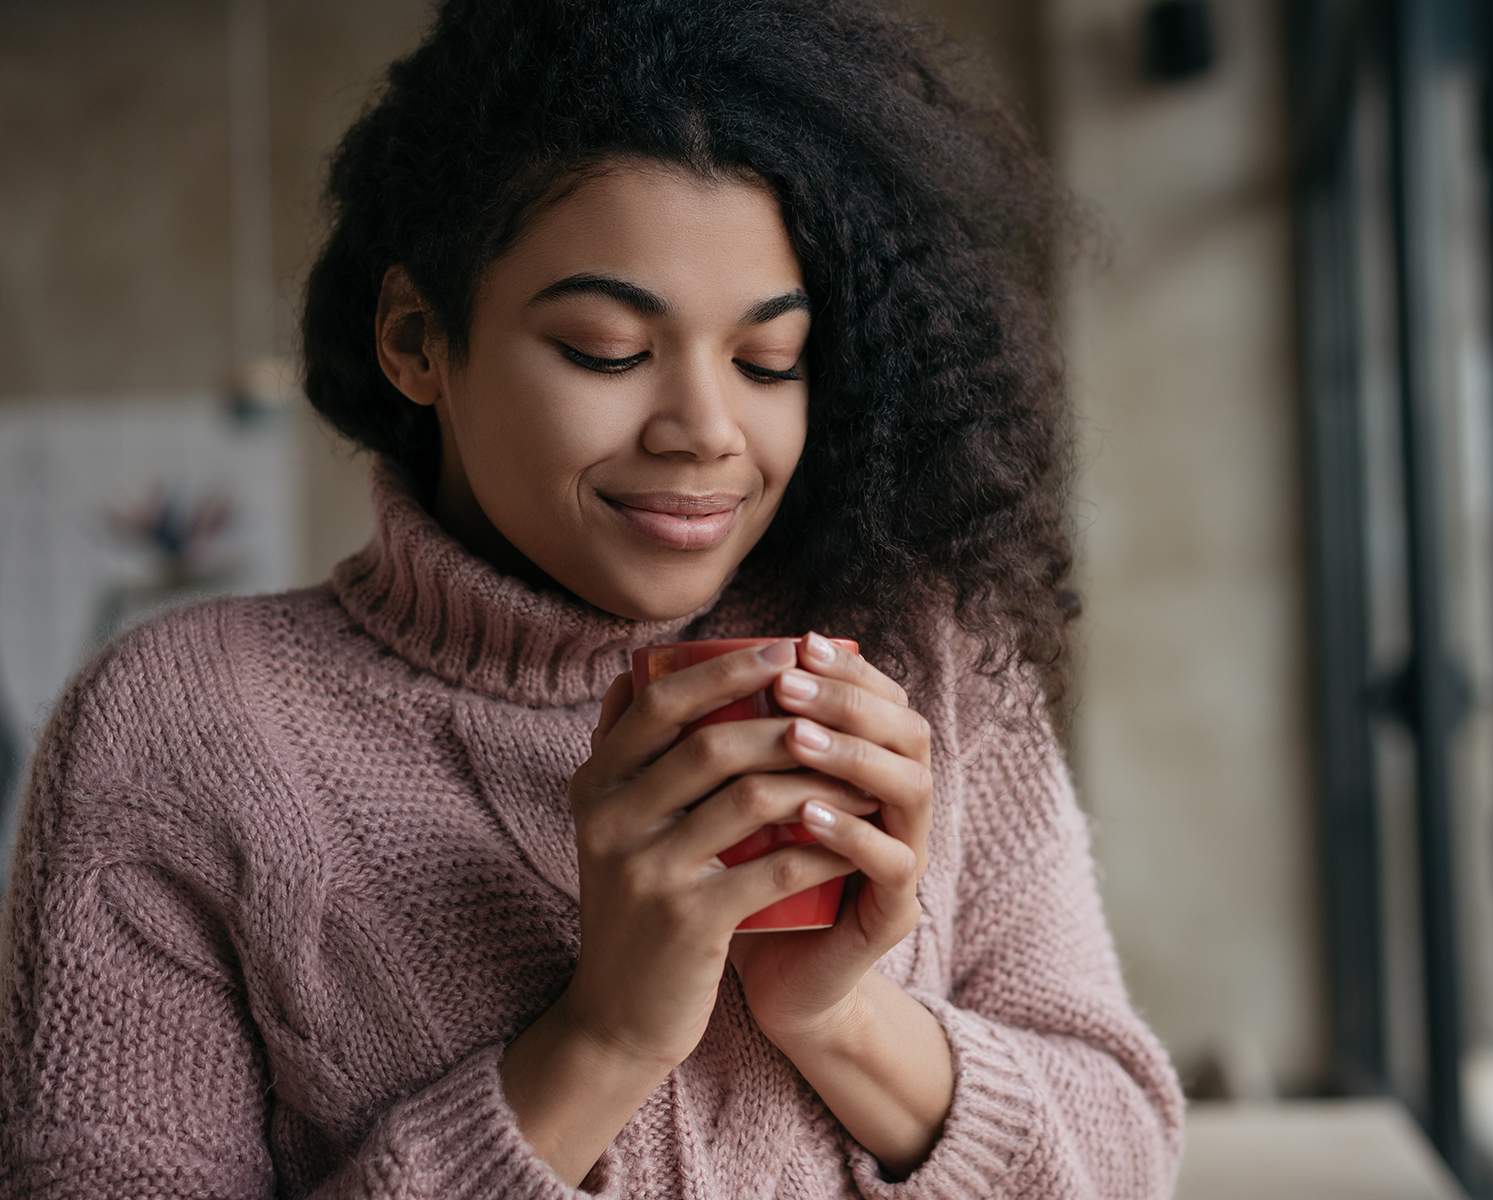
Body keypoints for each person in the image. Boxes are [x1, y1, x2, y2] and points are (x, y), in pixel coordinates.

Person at [0, 1, 1186, 1196]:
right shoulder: (177, 727)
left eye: (771, 362)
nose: (709, 432)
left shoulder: (923, 653)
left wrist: (838, 1015)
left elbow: (1130, 1153)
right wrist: (605, 1039)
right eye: (609, 349)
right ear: (418, 338)